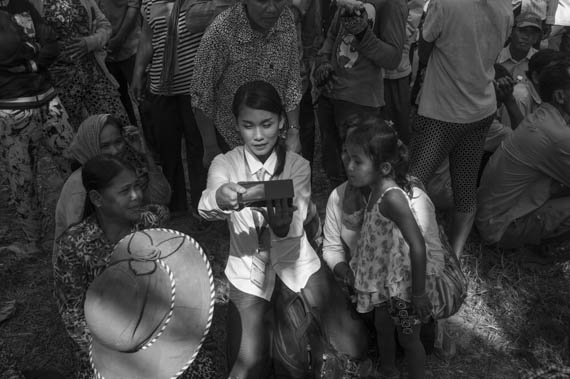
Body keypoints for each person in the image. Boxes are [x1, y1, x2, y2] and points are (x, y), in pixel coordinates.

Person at [198, 80, 369, 378]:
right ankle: (278, 334)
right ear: (236, 125)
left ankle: (291, 332)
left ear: (281, 122)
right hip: (248, 275)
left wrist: (268, 211)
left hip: (298, 266)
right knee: (247, 371)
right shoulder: (224, 163)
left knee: (353, 348)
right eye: (248, 125)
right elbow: (205, 205)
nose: (259, 135)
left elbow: (297, 215)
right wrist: (220, 197)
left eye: (267, 123)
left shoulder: (298, 165)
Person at [409, 0, 513, 257]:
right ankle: (454, 256)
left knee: (412, 183)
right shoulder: (505, 7)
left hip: (442, 111)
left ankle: (411, 251)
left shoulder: (444, 4)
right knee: (465, 188)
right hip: (481, 110)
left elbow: (423, 53)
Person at [341, 119, 443, 379]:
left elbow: (418, 246)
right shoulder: (373, 190)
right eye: (348, 159)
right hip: (383, 286)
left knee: (407, 336)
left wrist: (418, 294)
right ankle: (388, 370)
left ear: (384, 167)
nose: (349, 166)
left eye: (357, 161)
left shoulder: (393, 198)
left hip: (401, 292)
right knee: (383, 328)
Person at [53, 154, 170, 376]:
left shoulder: (148, 224)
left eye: (137, 186)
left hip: (154, 327)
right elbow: (73, 315)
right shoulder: (74, 245)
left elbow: (163, 210)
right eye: (125, 191)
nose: (137, 196)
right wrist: (122, 352)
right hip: (106, 348)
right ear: (97, 198)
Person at [476, 59, 570, 260]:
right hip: (500, 228)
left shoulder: (544, 117)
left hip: (493, 216)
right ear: (560, 96)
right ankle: (541, 252)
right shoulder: (556, 134)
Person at [190, 0, 303, 166]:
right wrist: (211, 147)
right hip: (231, 143)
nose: (271, 9)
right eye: (262, 1)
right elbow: (201, 93)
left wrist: (293, 130)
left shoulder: (286, 19)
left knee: (278, 190)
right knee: (243, 191)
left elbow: (292, 80)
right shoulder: (221, 31)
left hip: (277, 139)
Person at [0, 2, 74, 252]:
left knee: (74, 164)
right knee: (22, 179)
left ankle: (90, 220)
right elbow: (5, 49)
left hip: (49, 100)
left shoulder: (23, 4)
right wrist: (31, 50)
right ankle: (33, 242)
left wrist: (29, 61)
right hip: (12, 109)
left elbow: (51, 43)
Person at [314, 0, 406, 188]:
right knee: (334, 169)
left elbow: (392, 58)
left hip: (360, 103)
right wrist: (322, 62)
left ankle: (361, 214)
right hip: (330, 95)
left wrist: (363, 33)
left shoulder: (392, 4)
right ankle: (339, 212)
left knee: (359, 171)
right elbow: (332, 36)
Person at [131, 0, 208, 217]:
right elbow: (147, 39)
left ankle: (202, 204)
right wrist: (138, 72)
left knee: (198, 147)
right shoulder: (150, 2)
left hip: (196, 88)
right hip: (161, 89)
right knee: (167, 148)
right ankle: (176, 207)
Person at [54, 114, 171, 240]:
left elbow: (161, 199)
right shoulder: (79, 186)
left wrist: (146, 154)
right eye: (105, 146)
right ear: (90, 146)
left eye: (118, 142)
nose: (115, 151)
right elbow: (76, 239)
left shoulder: (124, 169)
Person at [41, 0, 129, 129]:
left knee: (116, 121)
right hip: (59, 80)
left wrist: (90, 42)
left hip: (92, 71)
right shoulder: (35, 3)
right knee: (74, 130)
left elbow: (105, 25)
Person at [97, 0, 141, 125]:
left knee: (143, 101)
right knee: (120, 105)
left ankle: (153, 143)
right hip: (104, 56)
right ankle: (132, 140)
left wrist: (120, 38)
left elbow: (133, 6)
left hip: (131, 49)